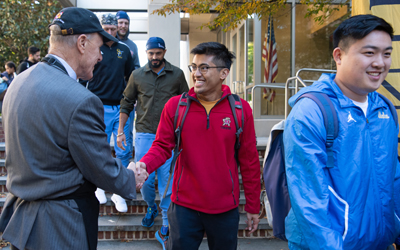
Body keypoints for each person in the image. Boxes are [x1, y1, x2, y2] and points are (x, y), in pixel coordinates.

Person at [0, 7, 145, 250]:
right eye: (99, 48)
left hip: (21, 222)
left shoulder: (18, 83)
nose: (100, 57)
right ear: (82, 42)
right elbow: (101, 168)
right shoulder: (81, 99)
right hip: (61, 226)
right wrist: (132, 176)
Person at [283, 15, 400, 250]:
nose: (380, 63)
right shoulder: (312, 111)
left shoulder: (384, 108)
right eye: (369, 53)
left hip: (380, 242)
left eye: (386, 54)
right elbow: (308, 198)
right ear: (339, 56)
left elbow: (393, 178)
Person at [134, 42, 261, 250]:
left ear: (223, 73)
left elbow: (249, 161)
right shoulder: (176, 106)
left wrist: (253, 205)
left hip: (224, 209)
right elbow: (162, 146)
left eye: (204, 68)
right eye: (194, 67)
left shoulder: (240, 109)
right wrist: (144, 166)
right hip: (184, 207)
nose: (196, 74)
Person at [117, 37, 188, 249]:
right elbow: (127, 102)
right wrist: (121, 130)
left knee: (167, 181)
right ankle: (151, 207)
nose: (154, 57)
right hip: (145, 134)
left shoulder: (177, 74)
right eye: (151, 53)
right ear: (146, 53)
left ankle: (166, 225)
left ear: (164, 52)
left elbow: (185, 103)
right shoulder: (137, 75)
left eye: (158, 53)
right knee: (145, 180)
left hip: (169, 137)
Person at [83, 13, 135, 213]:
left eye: (113, 29)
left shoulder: (124, 50)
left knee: (123, 151)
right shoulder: (94, 49)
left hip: (121, 109)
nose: (111, 32)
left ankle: (118, 192)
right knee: (100, 149)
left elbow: (131, 78)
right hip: (98, 106)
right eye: (107, 29)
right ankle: (98, 187)